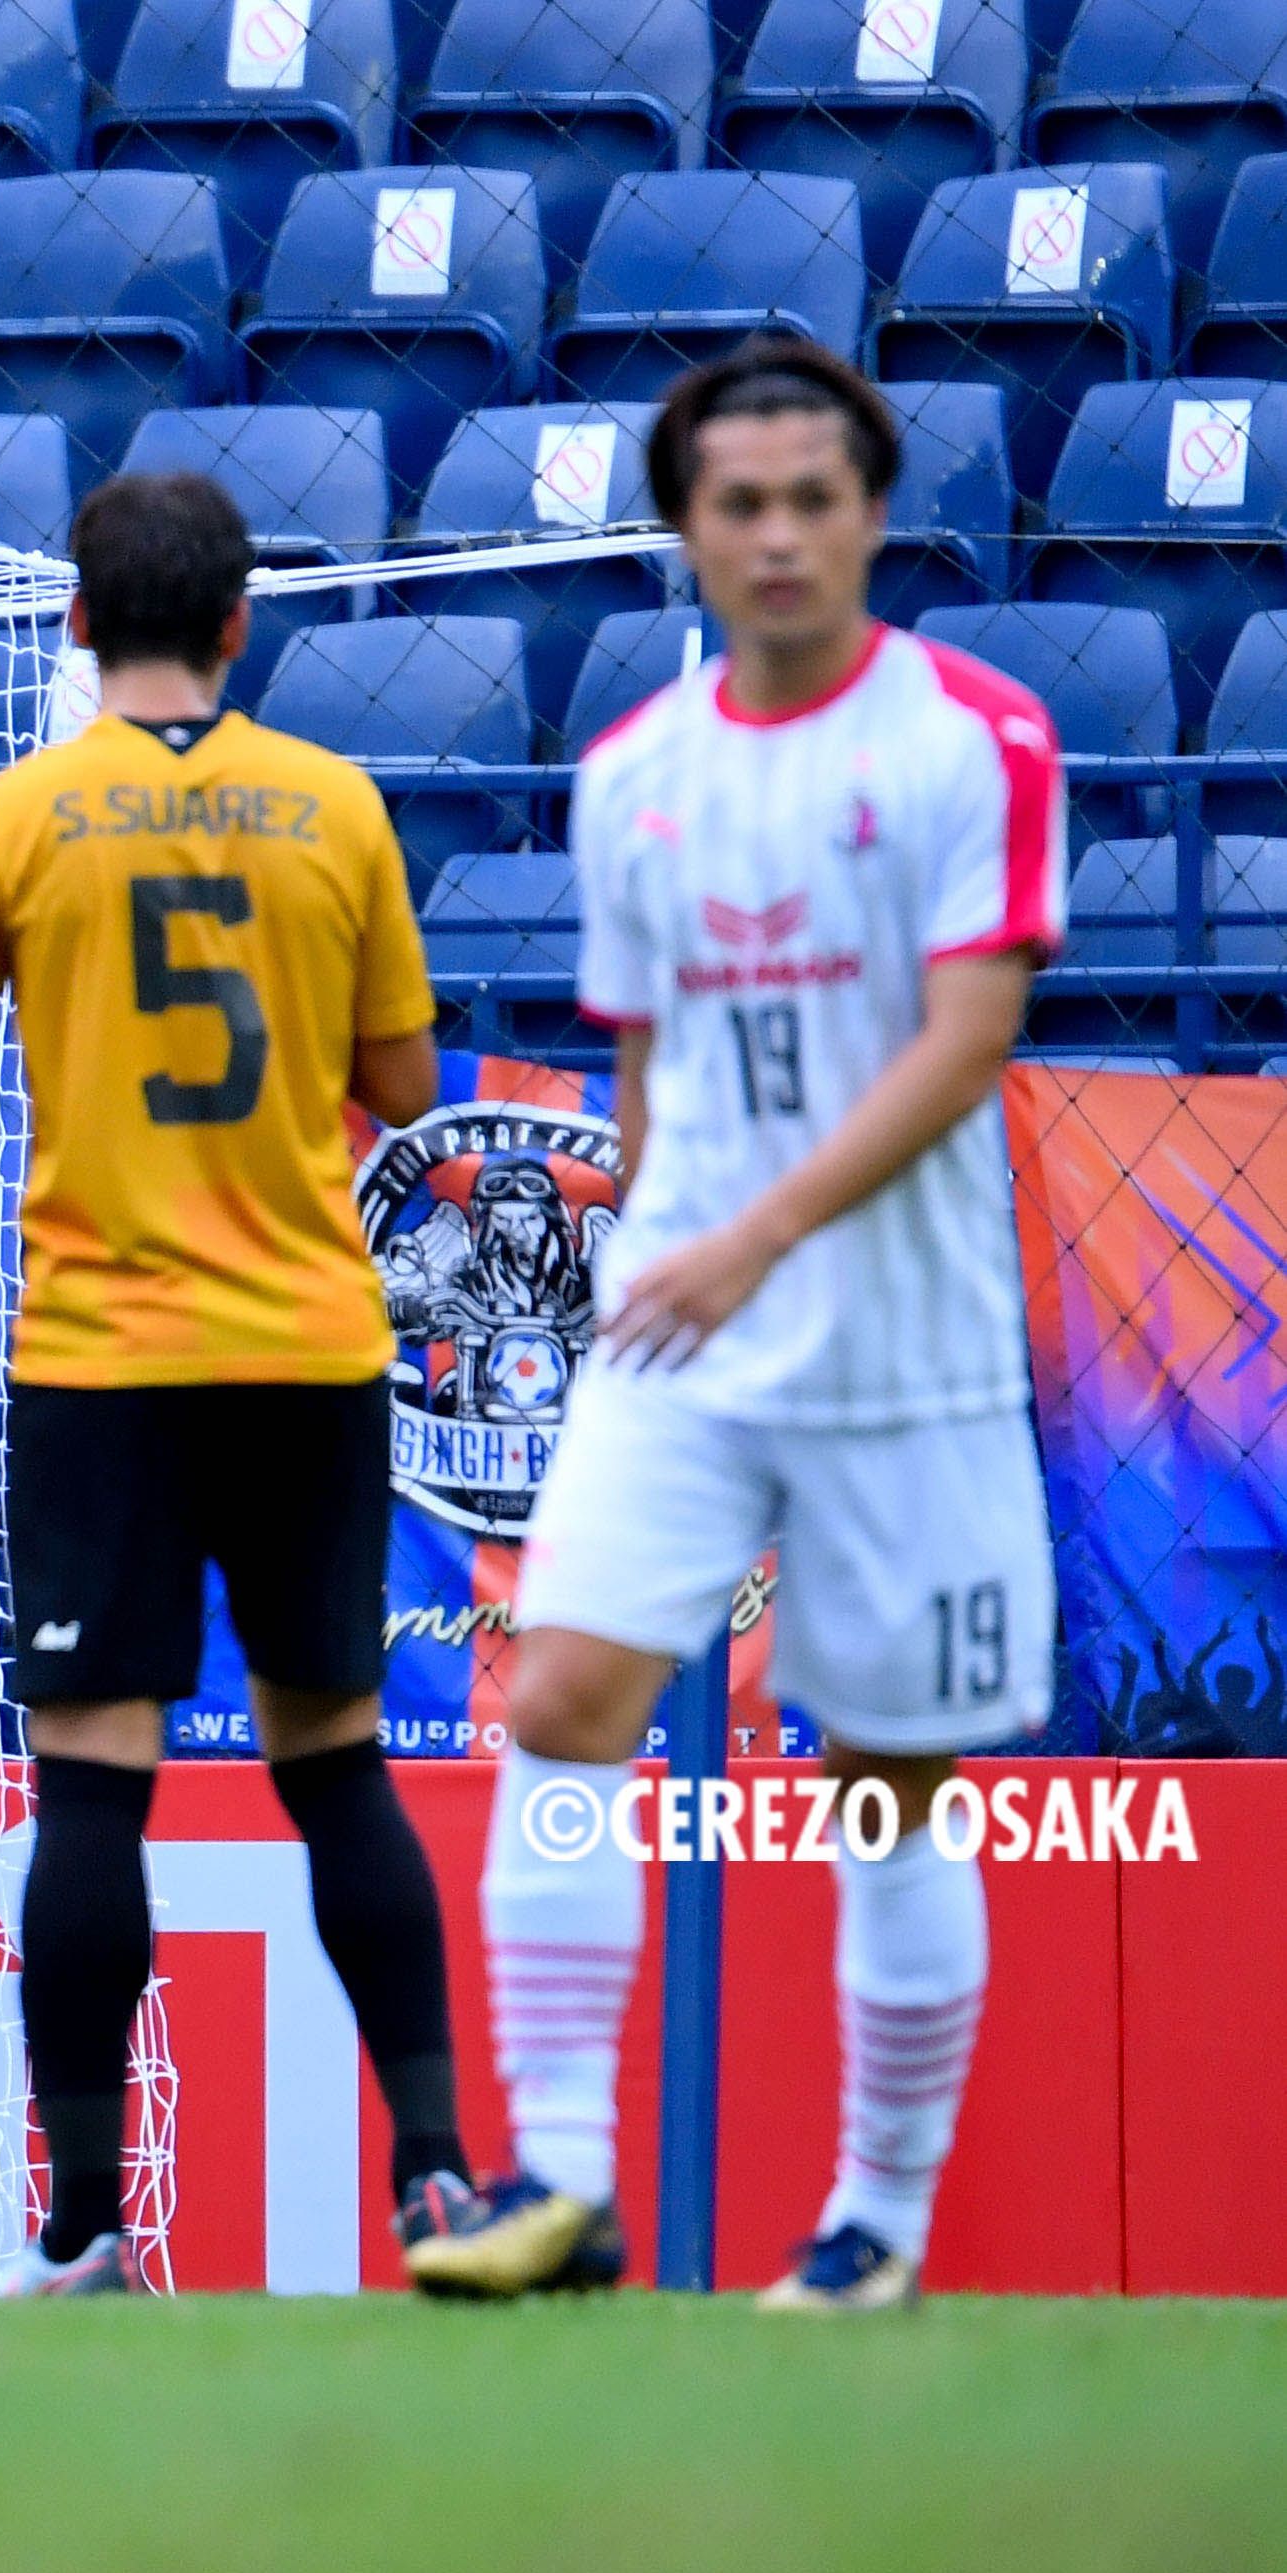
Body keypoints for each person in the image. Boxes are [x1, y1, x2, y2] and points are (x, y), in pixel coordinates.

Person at [0, 470, 474, 2296]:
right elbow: (406, 1080)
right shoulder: (336, 808)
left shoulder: (22, 815)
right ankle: (443, 2177)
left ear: (73, 624)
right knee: (339, 1763)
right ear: (239, 623)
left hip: (107, 1363)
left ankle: (80, 2227)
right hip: (304, 1350)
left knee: (91, 1790)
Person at [402, 341, 1058, 2314]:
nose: (774, 536)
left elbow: (969, 1041)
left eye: (809, 500)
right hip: (682, 1338)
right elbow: (650, 1064)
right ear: (682, 529)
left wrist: (754, 1229)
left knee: (878, 1783)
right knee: (555, 1704)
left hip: (901, 1350)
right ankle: (561, 2185)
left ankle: (870, 2219)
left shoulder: (969, 738)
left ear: (866, 511)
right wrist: (662, 1235)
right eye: (735, 505)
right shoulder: (630, 781)